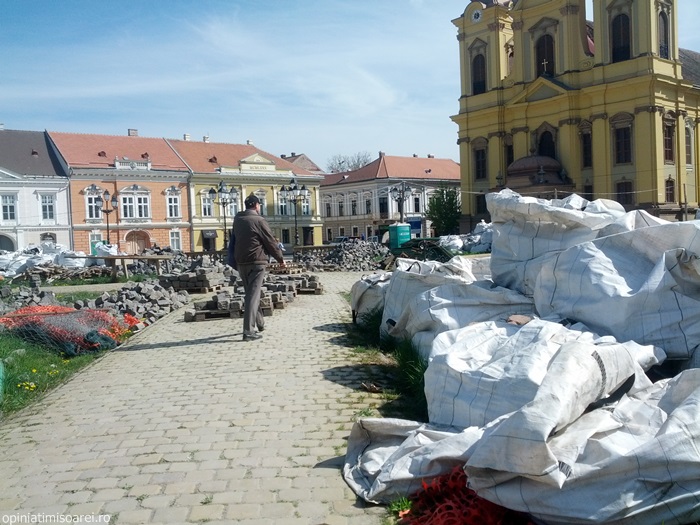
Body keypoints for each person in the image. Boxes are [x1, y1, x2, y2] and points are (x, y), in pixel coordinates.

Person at [232, 194, 285, 341]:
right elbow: (270, 241)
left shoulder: (237, 219)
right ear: (256, 205)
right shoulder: (259, 220)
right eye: (259, 205)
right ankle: (248, 331)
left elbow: (234, 240)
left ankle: (260, 323)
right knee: (252, 295)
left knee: (251, 293)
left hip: (241, 262)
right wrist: (280, 259)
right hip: (257, 262)